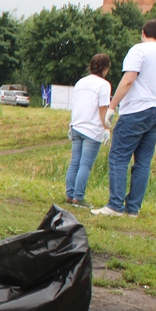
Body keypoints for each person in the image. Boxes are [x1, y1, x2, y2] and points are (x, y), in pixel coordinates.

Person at [91, 19, 156, 217]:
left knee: (119, 156)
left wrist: (112, 107)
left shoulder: (139, 50)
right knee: (143, 161)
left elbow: (129, 80)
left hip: (137, 109)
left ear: (143, 32)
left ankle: (115, 205)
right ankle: (133, 209)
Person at [64, 53, 112, 209]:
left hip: (77, 125)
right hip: (92, 129)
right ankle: (79, 197)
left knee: (74, 163)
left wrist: (71, 124)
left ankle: (70, 194)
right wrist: (107, 128)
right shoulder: (104, 85)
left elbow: (76, 104)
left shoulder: (80, 82)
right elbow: (103, 108)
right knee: (85, 164)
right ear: (105, 68)